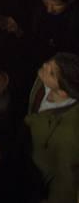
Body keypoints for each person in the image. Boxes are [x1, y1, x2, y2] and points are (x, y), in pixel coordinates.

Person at [23, 54, 79, 203]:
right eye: (50, 62)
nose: (45, 65)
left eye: (52, 73)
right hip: (26, 147)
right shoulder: (44, 80)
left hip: (36, 174)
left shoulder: (70, 134)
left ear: (62, 92)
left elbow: (65, 179)